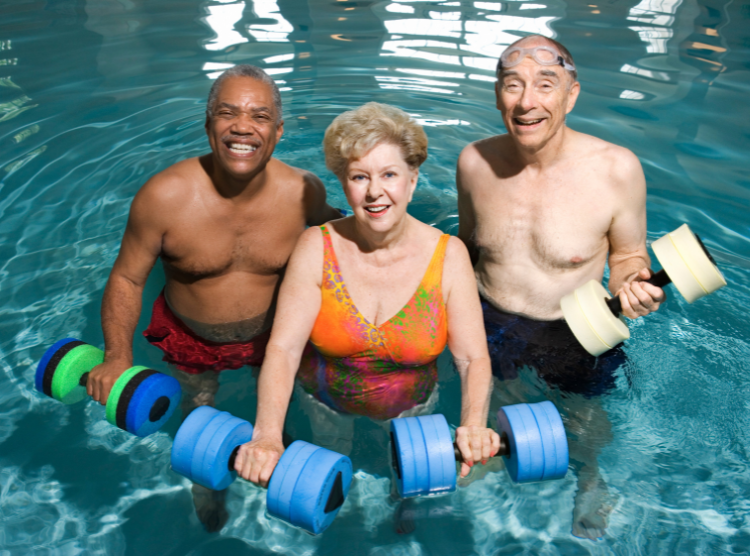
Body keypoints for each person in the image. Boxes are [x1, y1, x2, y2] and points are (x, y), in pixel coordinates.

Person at [86, 64, 340, 531]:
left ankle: (276, 457)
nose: (243, 126)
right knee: (199, 409)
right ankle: (207, 486)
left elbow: (341, 228)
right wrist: (118, 357)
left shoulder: (303, 191)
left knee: (281, 412)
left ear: (278, 131)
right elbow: (126, 279)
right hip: (192, 339)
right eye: (228, 113)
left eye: (259, 116)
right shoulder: (164, 197)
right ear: (208, 126)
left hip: (274, 339)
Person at [234, 103, 499, 531]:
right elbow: (283, 349)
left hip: (412, 404)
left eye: (389, 175)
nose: (375, 192)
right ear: (344, 183)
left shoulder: (448, 256)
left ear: (412, 181)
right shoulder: (315, 247)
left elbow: (472, 359)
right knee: (329, 473)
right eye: (360, 177)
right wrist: (266, 435)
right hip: (324, 400)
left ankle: (404, 502)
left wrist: (473, 425)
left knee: (409, 479)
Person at [456, 35, 665, 540]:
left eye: (545, 85)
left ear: (570, 95)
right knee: (498, 402)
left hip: (575, 326)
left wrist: (635, 284)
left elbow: (629, 255)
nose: (527, 101)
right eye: (513, 85)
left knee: (584, 422)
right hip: (493, 319)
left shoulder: (617, 169)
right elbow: (464, 251)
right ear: (497, 95)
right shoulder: (474, 163)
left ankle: (591, 478)